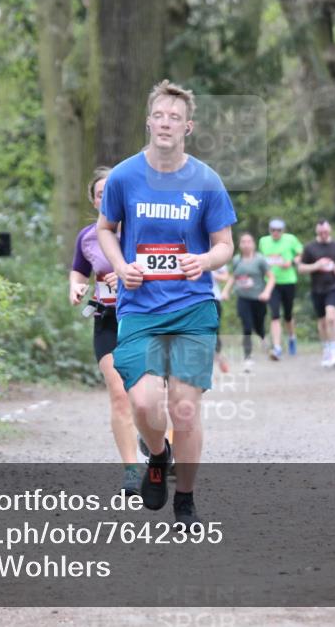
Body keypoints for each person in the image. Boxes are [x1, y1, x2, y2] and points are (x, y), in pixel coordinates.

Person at [97, 79, 236, 526]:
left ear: (187, 127)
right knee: (141, 403)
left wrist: (203, 260)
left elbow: (225, 245)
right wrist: (120, 265)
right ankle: (158, 454)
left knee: (184, 408)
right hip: (139, 305)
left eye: (174, 117)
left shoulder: (206, 180)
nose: (165, 123)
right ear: (148, 122)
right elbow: (105, 229)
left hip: (193, 305)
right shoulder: (122, 176)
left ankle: (186, 500)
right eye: (159, 115)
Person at [69, 167, 140, 495]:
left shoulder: (146, 229)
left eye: (111, 192)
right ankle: (130, 470)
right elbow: (79, 272)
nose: (106, 198)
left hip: (144, 318)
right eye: (100, 194)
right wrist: (75, 288)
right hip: (107, 320)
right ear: (95, 201)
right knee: (119, 393)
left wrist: (126, 276)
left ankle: (157, 447)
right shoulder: (87, 236)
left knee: (148, 397)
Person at [298, 219, 335, 367]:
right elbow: (301, 268)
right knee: (322, 322)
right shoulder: (310, 248)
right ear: (317, 232)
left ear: (330, 230)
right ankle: (326, 349)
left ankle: (334, 351)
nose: (323, 234)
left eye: (326, 231)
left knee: (331, 318)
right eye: (321, 232)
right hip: (317, 289)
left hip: (333, 287)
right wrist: (315, 266)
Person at [221, 232, 274, 373]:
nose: (246, 244)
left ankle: (264, 341)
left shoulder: (260, 260)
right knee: (247, 327)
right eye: (243, 242)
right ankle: (248, 357)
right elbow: (233, 277)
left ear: (253, 244)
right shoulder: (237, 260)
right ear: (239, 244)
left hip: (258, 299)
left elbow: (271, 277)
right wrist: (226, 291)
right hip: (243, 298)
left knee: (259, 327)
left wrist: (266, 292)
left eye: (249, 241)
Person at [258, 218, 303, 359]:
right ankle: (277, 347)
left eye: (279, 230)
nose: (276, 233)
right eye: (273, 230)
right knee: (275, 314)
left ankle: (291, 337)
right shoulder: (263, 241)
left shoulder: (291, 239)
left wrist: (294, 261)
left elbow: (301, 253)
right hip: (271, 282)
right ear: (269, 230)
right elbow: (260, 258)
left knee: (288, 315)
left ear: (283, 231)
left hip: (288, 281)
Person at [211, 265, 231, 374]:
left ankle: (219, 359)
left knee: (214, 332)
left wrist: (211, 273)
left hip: (214, 299)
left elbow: (226, 277)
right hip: (193, 300)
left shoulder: (215, 251)